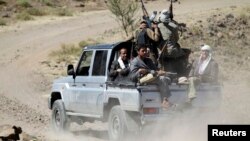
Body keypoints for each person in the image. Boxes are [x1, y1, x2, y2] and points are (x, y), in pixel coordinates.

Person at [129, 44, 171, 109]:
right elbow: (132, 77)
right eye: (143, 51)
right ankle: (165, 100)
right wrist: (139, 72)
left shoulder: (149, 60)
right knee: (162, 79)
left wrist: (160, 71)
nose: (145, 52)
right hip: (143, 80)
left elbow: (155, 70)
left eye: (146, 50)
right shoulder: (135, 62)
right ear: (138, 52)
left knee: (168, 78)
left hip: (152, 78)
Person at [157, 9, 185, 74]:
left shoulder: (158, 26)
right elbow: (176, 38)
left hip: (163, 51)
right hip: (172, 50)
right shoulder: (174, 26)